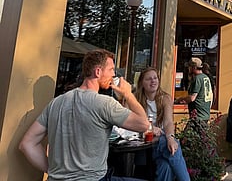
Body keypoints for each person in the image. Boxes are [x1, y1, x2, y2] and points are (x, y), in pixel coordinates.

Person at [18, 49, 149, 180]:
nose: (114, 74)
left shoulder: (55, 103)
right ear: (98, 72)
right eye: (111, 69)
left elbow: (27, 143)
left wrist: (53, 171)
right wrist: (128, 94)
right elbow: (143, 125)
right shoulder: (104, 103)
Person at [134, 67, 190, 181]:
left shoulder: (165, 98)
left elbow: (168, 122)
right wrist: (150, 129)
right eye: (149, 79)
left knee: (166, 166)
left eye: (155, 78)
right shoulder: (135, 99)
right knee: (165, 143)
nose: (153, 81)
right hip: (143, 142)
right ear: (141, 83)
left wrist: (170, 138)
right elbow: (128, 120)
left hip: (161, 143)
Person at [175, 57, 213, 124]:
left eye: (189, 67)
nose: (188, 69)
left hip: (197, 117)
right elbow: (211, 96)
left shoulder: (197, 79)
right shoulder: (206, 78)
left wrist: (179, 100)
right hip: (205, 115)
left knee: (188, 134)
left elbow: (192, 98)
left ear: (194, 67)